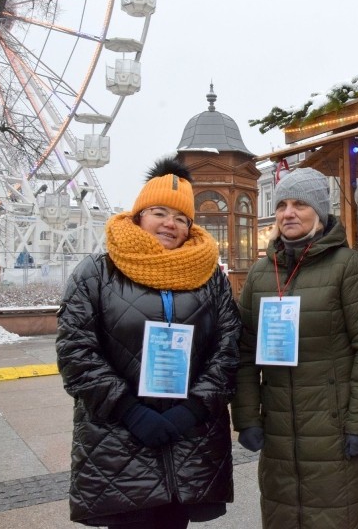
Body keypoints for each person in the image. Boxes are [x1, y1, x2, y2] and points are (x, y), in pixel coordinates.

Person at [55, 158, 240, 529]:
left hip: (189, 440)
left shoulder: (210, 278)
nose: (170, 224)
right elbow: (76, 351)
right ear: (139, 215)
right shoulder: (96, 273)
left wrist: (192, 410)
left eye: (181, 218)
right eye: (159, 212)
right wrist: (130, 411)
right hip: (119, 440)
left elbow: (229, 347)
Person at [231, 167, 358, 529]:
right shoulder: (260, 275)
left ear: (319, 213)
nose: (288, 213)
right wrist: (246, 417)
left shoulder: (346, 267)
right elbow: (243, 355)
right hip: (278, 437)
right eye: (282, 204)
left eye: (300, 204)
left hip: (334, 433)